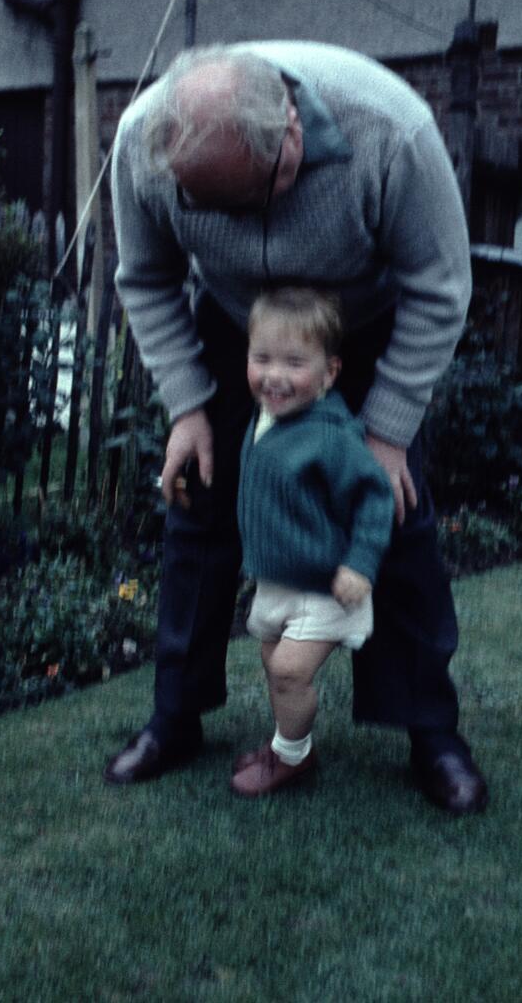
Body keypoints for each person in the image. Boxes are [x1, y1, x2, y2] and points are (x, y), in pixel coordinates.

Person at [104, 41, 489, 815]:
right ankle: (175, 718)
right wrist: (187, 406)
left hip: (364, 330)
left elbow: (440, 289)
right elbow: (146, 278)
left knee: (393, 518)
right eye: (216, 209)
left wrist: (386, 435)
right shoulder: (142, 143)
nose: (246, 225)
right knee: (197, 508)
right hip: (235, 328)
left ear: (290, 129)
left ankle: (431, 733)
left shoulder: (391, 133)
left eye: (254, 198)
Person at [232, 287, 394, 797]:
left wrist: (360, 563)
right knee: (274, 666)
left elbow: (374, 495)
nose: (274, 375)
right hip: (278, 582)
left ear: (329, 373)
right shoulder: (265, 418)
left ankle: (291, 758)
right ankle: (289, 743)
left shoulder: (330, 434)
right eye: (262, 359)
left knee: (287, 670)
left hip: (329, 585)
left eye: (294, 363)